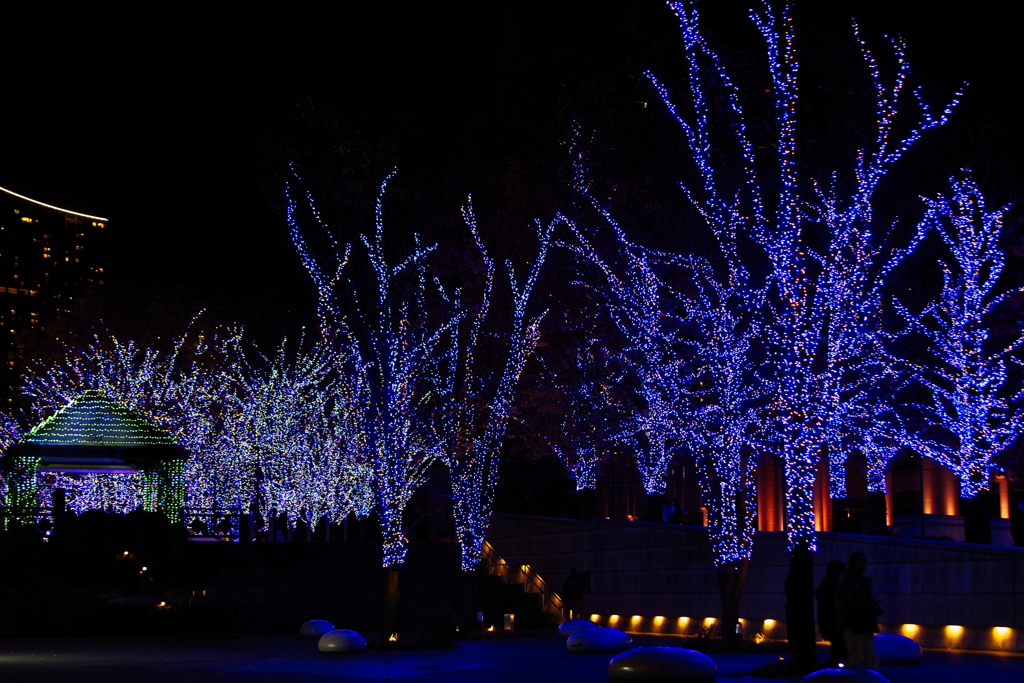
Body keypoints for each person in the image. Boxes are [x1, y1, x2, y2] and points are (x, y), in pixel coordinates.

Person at [835, 552, 883, 669]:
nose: (864, 565)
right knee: (857, 658)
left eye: (864, 562)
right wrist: (872, 606)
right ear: (852, 564)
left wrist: (875, 607)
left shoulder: (862, 583)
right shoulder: (847, 584)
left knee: (870, 657)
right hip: (854, 626)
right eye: (861, 562)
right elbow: (848, 605)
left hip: (864, 624)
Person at [815, 560, 848, 667]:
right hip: (833, 625)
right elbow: (831, 608)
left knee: (838, 651)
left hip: (832, 626)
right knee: (841, 650)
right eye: (841, 573)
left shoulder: (827, 587)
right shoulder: (830, 588)